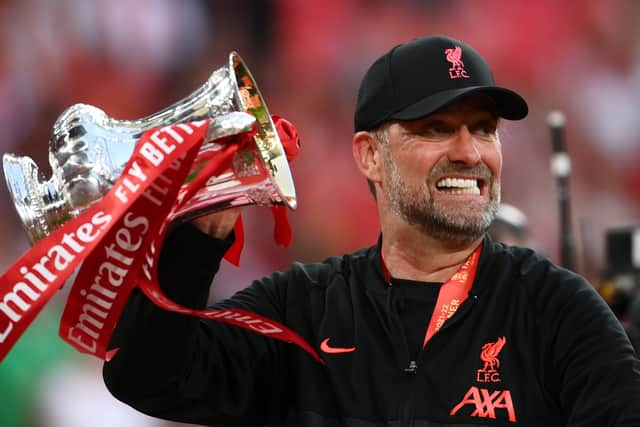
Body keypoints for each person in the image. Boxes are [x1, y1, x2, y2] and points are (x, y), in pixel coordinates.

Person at [103, 35, 640, 426]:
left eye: (483, 129)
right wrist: (198, 240)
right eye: (436, 128)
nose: (469, 152)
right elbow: (146, 378)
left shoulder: (554, 309)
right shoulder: (303, 309)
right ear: (369, 156)